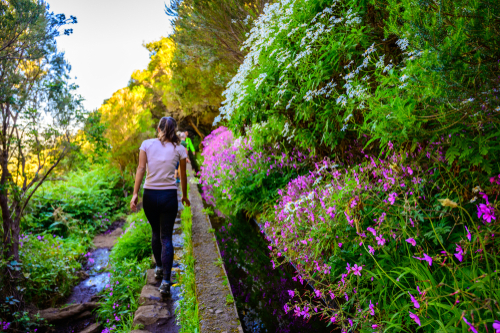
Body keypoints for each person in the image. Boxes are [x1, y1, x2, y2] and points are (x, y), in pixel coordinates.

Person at [130, 117, 190, 296]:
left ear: (158, 128)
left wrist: (135, 194)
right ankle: (165, 282)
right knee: (166, 237)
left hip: (149, 195)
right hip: (169, 196)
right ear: (174, 130)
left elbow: (141, 169)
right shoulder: (180, 148)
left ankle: (158, 267)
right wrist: (185, 196)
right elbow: (183, 176)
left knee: (155, 233)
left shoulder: (146, 144)